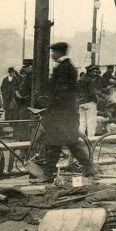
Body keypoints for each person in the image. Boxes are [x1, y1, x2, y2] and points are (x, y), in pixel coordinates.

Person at [34, 42, 99, 183]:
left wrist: (49, 104)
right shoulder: (65, 67)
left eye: (53, 52)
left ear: (59, 52)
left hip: (63, 114)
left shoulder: (65, 68)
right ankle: (89, 169)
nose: (52, 54)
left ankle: (49, 174)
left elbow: (61, 92)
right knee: (59, 143)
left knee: (63, 143)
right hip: (64, 114)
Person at [78, 65, 100, 137]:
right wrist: (96, 100)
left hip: (81, 103)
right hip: (90, 103)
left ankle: (81, 138)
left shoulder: (81, 79)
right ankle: (91, 139)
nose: (95, 73)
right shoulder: (90, 80)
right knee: (91, 122)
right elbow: (92, 93)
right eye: (93, 72)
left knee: (82, 122)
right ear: (89, 72)